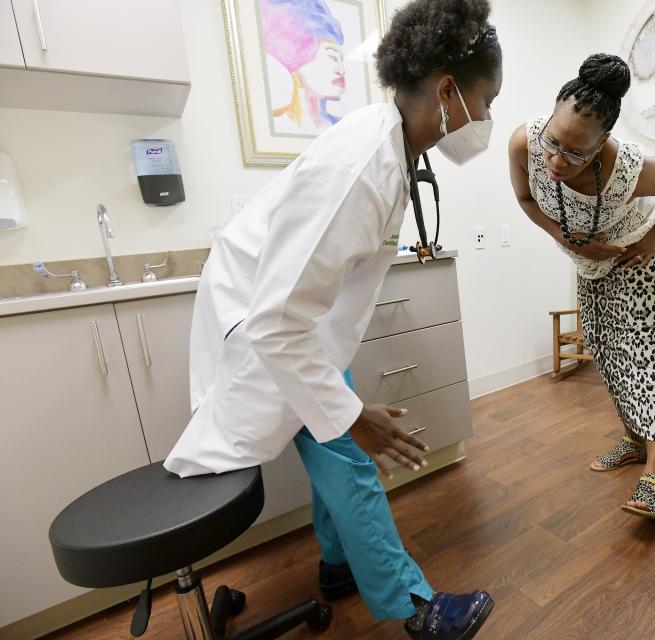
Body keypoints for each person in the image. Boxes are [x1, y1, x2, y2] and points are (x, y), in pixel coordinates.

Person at [164, 1, 502, 637]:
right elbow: (275, 321)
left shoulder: (386, 143)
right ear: (448, 91)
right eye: (487, 101)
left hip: (287, 324)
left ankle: (340, 564)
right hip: (262, 331)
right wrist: (352, 415)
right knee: (345, 450)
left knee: (331, 446)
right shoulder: (361, 165)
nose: (486, 120)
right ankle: (414, 608)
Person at [508, 53, 655, 521]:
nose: (554, 161)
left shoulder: (631, 170)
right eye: (552, 142)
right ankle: (632, 437)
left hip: (636, 252)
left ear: (603, 143)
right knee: (605, 348)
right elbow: (528, 198)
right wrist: (562, 236)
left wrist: (654, 233)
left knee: (641, 347)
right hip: (589, 259)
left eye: (574, 153)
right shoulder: (524, 144)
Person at [261, 0, 348, 132]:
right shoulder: (280, 126)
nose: (341, 70)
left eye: (341, 59)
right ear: (298, 58)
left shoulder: (345, 129)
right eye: (332, 57)